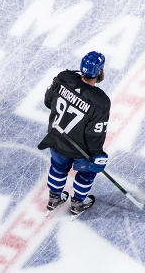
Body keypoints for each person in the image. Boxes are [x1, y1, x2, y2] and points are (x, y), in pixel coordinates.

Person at [37, 51, 111, 216]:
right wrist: (96, 154)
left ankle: (54, 198)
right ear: (99, 72)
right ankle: (77, 203)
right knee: (88, 172)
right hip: (80, 149)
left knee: (58, 168)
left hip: (56, 138)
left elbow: (48, 101)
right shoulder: (100, 102)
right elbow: (95, 135)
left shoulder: (64, 77)